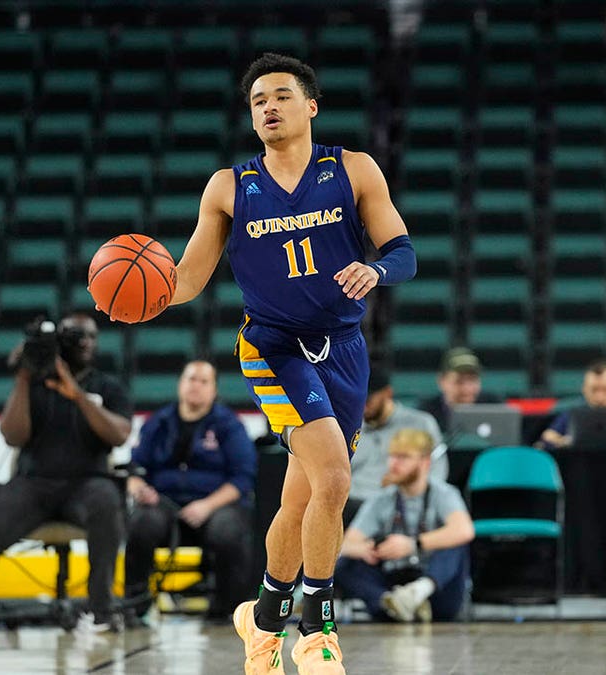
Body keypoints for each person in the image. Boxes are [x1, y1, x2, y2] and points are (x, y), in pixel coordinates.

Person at [164, 53, 416, 674]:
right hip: (272, 349)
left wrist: (376, 269)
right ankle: (317, 629)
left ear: (311, 105)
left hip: (344, 349)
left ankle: (263, 616)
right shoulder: (229, 186)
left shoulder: (352, 170)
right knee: (333, 478)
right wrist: (143, 298)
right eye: (257, 101)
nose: (268, 107)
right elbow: (186, 279)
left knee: (302, 502)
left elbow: (404, 252)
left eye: (280, 95)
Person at [0, 312, 133, 632]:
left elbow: (119, 435)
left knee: (107, 503)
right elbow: (12, 435)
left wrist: (77, 395)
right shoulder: (33, 383)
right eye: (77, 335)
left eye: (91, 336)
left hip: (87, 482)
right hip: (34, 483)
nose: (86, 342)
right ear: (60, 341)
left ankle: (100, 609)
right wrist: (23, 376)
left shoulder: (107, 386)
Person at [123, 360, 258, 623]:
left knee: (228, 529)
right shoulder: (158, 422)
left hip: (214, 505)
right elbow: (133, 470)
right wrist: (139, 489)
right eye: (190, 379)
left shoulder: (229, 426)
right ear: (180, 384)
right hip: (164, 502)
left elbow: (243, 479)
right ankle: (135, 604)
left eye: (203, 381)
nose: (195, 385)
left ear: (214, 389)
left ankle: (226, 609)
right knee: (141, 521)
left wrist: (207, 506)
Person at [335, 429, 474, 623]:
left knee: (455, 544)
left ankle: (416, 594)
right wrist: (366, 550)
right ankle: (392, 602)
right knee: (344, 563)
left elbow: (464, 530)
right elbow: (346, 543)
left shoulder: (443, 494)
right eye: (392, 456)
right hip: (393, 580)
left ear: (425, 462)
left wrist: (413, 544)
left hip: (435, 590)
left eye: (403, 457)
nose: (394, 464)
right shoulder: (382, 499)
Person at [347, 367, 446, 525]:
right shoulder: (349, 425)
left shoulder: (421, 422)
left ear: (387, 393)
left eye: (368, 399)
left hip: (403, 502)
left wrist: (409, 488)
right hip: (353, 504)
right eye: (357, 399)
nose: (363, 406)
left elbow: (437, 471)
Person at [417, 347, 502, 434]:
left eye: (473, 380)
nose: (467, 389)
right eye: (459, 381)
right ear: (441, 381)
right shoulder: (426, 413)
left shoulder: (495, 406)